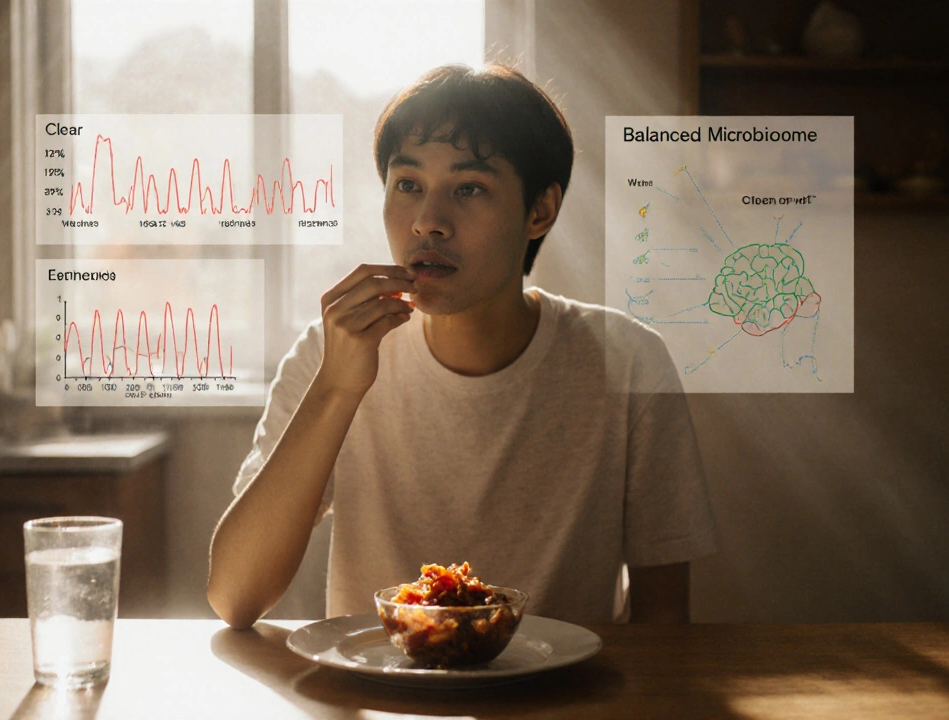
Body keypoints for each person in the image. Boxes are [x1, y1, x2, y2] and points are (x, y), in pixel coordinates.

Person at [207, 63, 716, 630]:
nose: (428, 222)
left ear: (539, 211)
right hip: (382, 704)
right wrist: (336, 388)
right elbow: (234, 596)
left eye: (469, 188)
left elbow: (665, 621)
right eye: (408, 185)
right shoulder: (331, 353)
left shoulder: (627, 360)